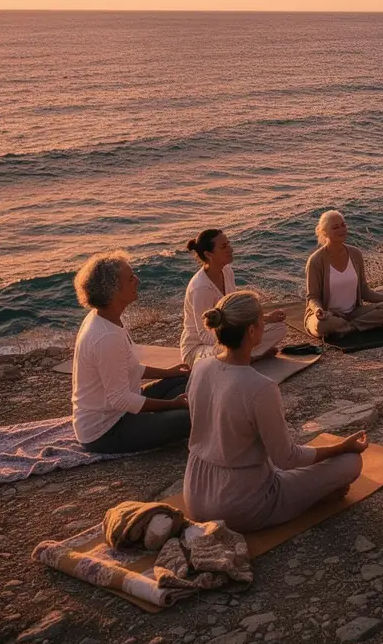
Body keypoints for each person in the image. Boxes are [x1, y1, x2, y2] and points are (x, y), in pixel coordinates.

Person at [183, 291, 367, 531]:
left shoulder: (200, 367)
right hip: (241, 505)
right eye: (262, 319)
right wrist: (342, 447)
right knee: (351, 463)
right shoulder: (261, 387)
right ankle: (314, 497)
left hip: (195, 493)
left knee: (275, 458)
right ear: (251, 331)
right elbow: (287, 458)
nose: (265, 324)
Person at [71, 251, 191, 453]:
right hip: (107, 429)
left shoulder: (108, 318)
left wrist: (171, 373)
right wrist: (172, 404)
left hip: (123, 408)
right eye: (130, 278)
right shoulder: (105, 337)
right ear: (113, 291)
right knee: (197, 416)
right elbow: (121, 400)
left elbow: (131, 367)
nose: (137, 280)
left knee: (186, 377)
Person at [180, 228, 286, 366]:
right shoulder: (201, 288)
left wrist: (266, 318)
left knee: (279, 328)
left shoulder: (227, 271)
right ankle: (248, 356)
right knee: (220, 353)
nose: (231, 249)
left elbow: (237, 313)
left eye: (228, 244)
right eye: (224, 247)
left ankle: (244, 356)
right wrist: (236, 343)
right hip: (200, 348)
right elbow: (204, 335)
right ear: (208, 254)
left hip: (230, 337)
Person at [304, 211, 383, 339]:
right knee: (320, 325)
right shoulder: (316, 260)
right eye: (335, 227)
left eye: (343, 225)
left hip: (354, 313)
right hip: (327, 315)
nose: (342, 229)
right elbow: (312, 297)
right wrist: (318, 310)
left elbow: (364, 291)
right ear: (324, 232)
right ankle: (349, 327)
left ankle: (348, 327)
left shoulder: (355, 254)